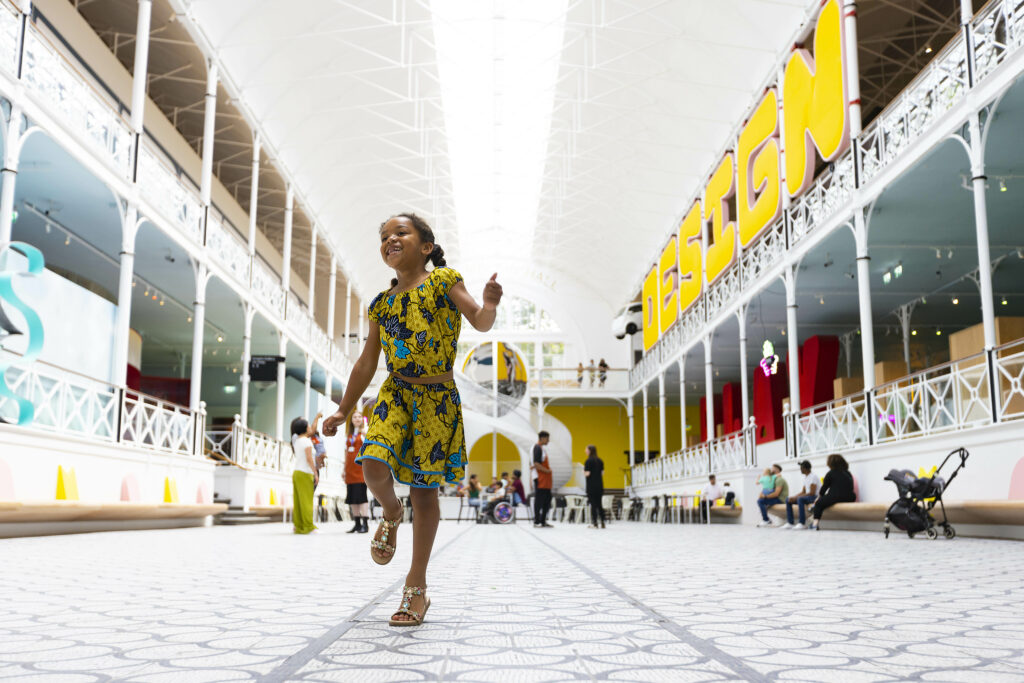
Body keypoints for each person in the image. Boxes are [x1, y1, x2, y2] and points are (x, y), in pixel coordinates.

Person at [322, 212, 503, 626]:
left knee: (424, 493)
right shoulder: (381, 304)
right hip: (396, 392)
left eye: (400, 232)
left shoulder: (443, 281)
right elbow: (367, 363)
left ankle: (416, 585)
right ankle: (389, 512)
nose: (390, 239)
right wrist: (343, 409)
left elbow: (480, 320)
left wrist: (490, 302)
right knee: (371, 463)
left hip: (437, 401)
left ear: (425, 246)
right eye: (384, 236)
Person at [809, 454, 856, 530]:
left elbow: (823, 489)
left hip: (836, 496)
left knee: (819, 503)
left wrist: (817, 499)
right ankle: (814, 513)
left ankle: (814, 524)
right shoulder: (848, 473)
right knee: (827, 499)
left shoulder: (831, 473)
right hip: (850, 497)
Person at [290, 417, 318, 535]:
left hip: (297, 472)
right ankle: (308, 526)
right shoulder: (306, 441)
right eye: (308, 425)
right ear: (305, 428)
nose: (310, 427)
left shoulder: (297, 441)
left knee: (298, 502)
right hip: (305, 473)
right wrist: (315, 473)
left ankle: (299, 525)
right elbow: (309, 459)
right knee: (306, 501)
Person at [344, 412, 370, 533]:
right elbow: (346, 453)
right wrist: (343, 469)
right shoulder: (349, 434)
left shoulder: (365, 432)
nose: (357, 419)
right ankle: (357, 523)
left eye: (359, 416)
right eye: (354, 417)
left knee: (362, 497)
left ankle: (365, 523)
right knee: (352, 498)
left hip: (360, 470)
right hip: (349, 470)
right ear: (352, 420)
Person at [783, 460, 819, 529]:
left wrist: (797, 498)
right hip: (808, 496)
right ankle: (790, 522)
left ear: (806, 468)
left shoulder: (813, 476)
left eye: (801, 468)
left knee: (800, 499)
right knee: (788, 499)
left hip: (814, 497)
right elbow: (803, 492)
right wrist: (793, 497)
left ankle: (802, 523)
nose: (800, 470)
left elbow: (812, 493)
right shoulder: (805, 477)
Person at [531, 431, 553, 528]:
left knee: (547, 500)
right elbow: (536, 464)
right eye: (547, 438)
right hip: (540, 478)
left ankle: (543, 520)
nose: (548, 440)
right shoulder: (537, 448)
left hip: (545, 479)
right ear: (542, 438)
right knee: (539, 500)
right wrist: (547, 471)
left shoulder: (542, 449)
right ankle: (537, 521)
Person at [756, 463, 789, 527]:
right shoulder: (774, 478)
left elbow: (776, 494)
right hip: (776, 498)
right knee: (761, 501)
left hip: (781, 500)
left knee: (760, 501)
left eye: (772, 469)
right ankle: (766, 520)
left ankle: (766, 520)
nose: (771, 470)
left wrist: (764, 496)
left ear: (777, 470)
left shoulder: (779, 480)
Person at [584, 445, 605, 528]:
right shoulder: (600, 461)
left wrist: (584, 472)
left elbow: (587, 473)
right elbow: (602, 473)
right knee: (599, 504)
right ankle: (603, 522)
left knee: (593, 504)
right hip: (599, 485)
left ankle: (595, 523)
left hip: (591, 486)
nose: (585, 451)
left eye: (586, 449)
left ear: (590, 451)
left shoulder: (588, 461)